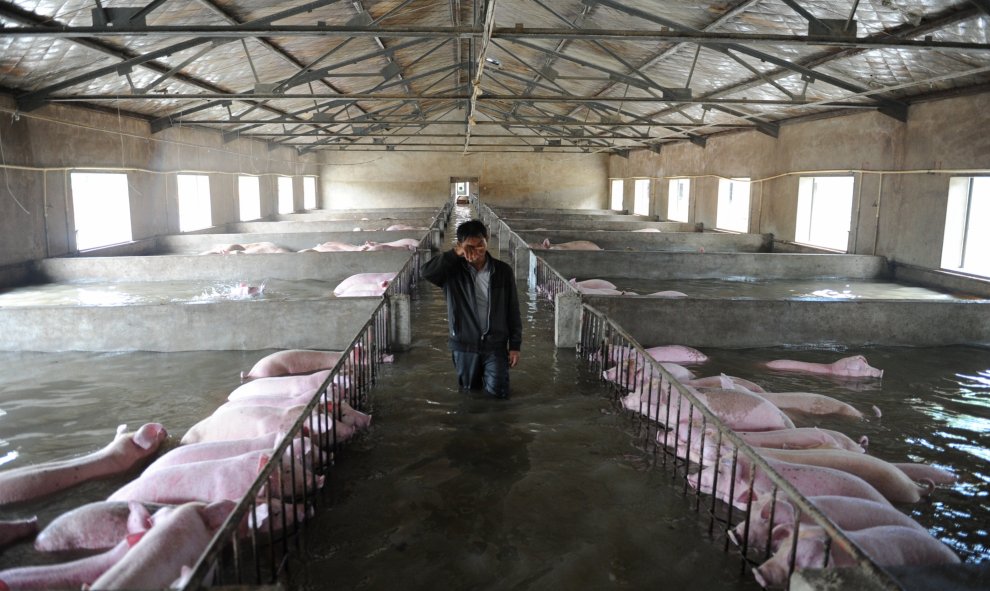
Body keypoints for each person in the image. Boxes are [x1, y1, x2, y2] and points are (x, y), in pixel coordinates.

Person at [421, 219, 522, 399]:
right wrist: (454, 254)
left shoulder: (503, 271)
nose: (477, 251)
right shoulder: (451, 272)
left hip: (496, 345)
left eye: (480, 245)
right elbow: (426, 272)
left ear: (487, 241)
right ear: (460, 246)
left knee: (499, 394)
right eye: (470, 247)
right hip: (464, 344)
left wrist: (515, 345)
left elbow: (512, 309)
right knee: (469, 394)